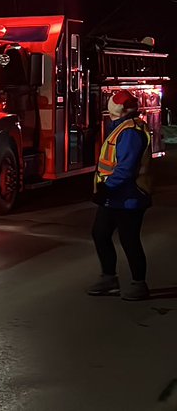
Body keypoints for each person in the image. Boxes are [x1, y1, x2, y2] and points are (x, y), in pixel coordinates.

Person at [87, 90, 153, 301]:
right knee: (100, 233)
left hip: (129, 196)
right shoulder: (122, 127)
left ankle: (138, 284)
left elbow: (126, 168)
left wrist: (107, 188)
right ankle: (109, 278)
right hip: (116, 196)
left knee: (129, 239)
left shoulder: (130, 132)